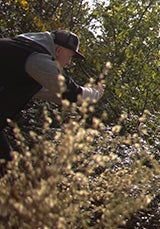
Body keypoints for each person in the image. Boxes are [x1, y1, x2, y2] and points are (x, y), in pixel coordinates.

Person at [0, 29, 104, 162]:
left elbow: (53, 94)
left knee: (7, 164)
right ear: (59, 50)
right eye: (69, 56)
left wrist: (85, 97)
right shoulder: (37, 59)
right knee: (7, 166)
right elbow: (69, 92)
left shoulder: (25, 52)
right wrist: (94, 94)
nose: (68, 62)